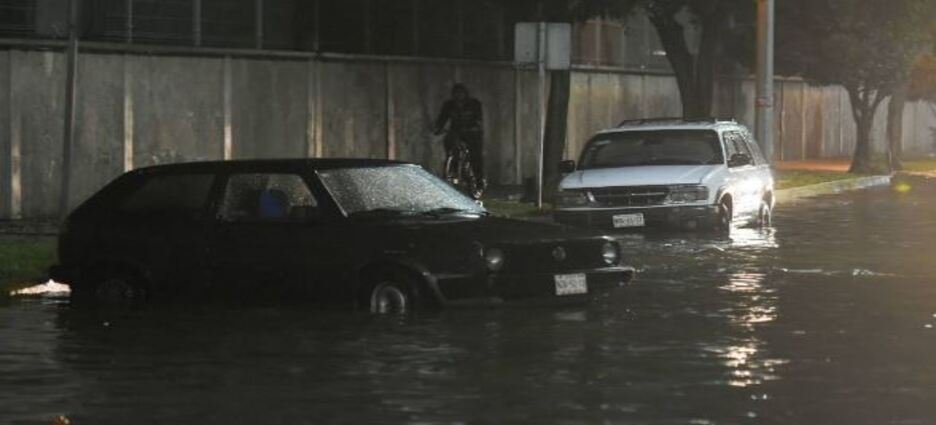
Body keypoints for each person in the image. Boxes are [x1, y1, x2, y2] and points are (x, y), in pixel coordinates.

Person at [433, 83, 485, 188]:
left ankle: (479, 179)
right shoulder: (449, 105)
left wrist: (476, 127)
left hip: (471, 132)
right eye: (456, 94)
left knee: (475, 155)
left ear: (465, 94)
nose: (458, 96)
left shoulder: (474, 104)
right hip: (456, 131)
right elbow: (442, 118)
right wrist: (438, 128)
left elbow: (478, 118)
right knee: (450, 145)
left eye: (461, 93)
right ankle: (453, 169)